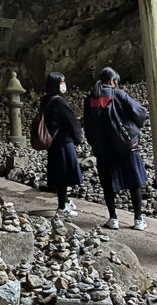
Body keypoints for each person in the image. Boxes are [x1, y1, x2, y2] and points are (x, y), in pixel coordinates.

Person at [83, 67, 149, 231]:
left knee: (108, 184)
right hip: (124, 146)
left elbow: (87, 125)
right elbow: (140, 113)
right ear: (113, 81)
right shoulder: (118, 94)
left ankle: (113, 218)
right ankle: (138, 219)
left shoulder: (90, 98)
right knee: (134, 183)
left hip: (103, 150)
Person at [41, 72, 83, 217]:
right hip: (63, 142)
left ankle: (65, 200)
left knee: (59, 172)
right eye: (61, 82)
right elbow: (71, 121)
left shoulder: (46, 100)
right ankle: (61, 206)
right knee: (64, 174)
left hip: (53, 142)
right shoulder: (59, 101)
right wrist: (78, 139)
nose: (64, 85)